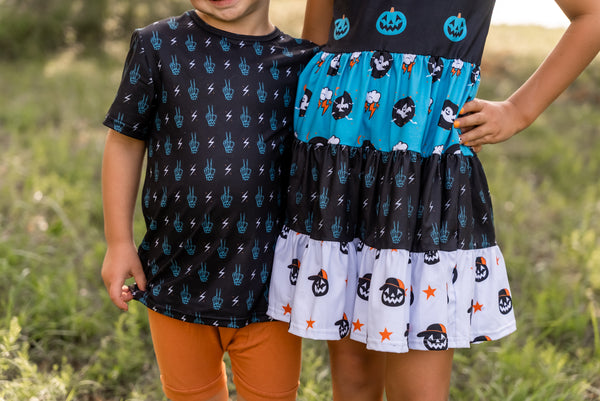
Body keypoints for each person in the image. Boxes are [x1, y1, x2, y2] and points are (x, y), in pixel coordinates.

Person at [266, 0, 600, 400]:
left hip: (423, 162)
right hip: (341, 151)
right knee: (354, 380)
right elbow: (317, 40)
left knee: (418, 387)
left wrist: (518, 111)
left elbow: (592, 15)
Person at [100, 1, 316, 400]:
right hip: (177, 272)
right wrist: (118, 242)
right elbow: (125, 142)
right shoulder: (157, 45)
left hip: (268, 285)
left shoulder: (304, 63)